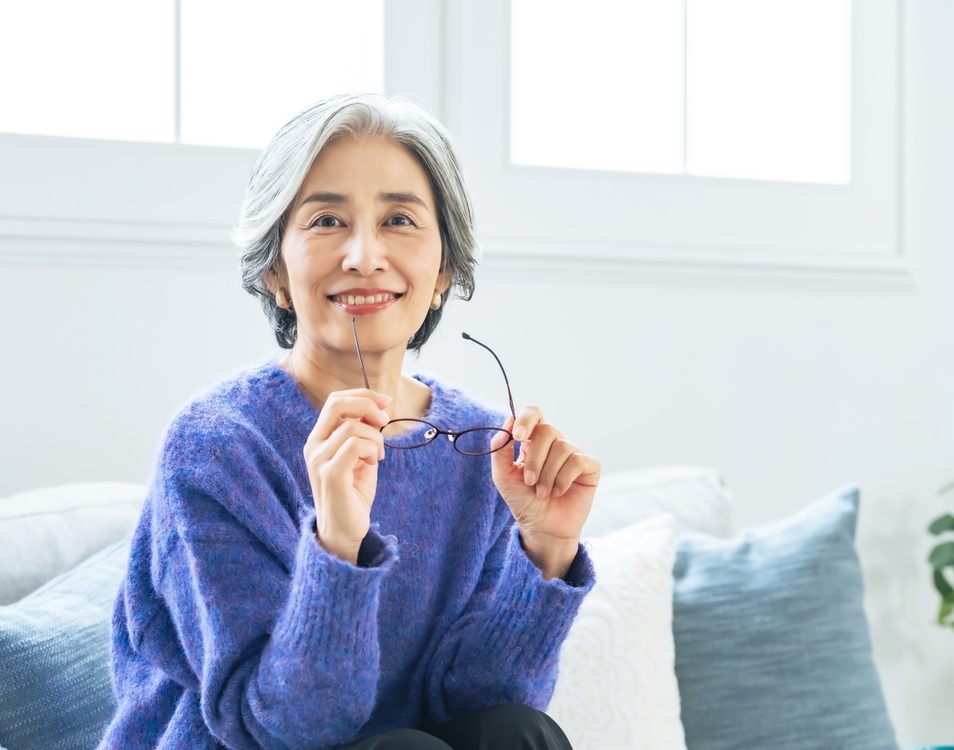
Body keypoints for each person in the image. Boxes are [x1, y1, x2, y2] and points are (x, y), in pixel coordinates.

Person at [98, 93, 600, 750]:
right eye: (328, 220)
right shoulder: (216, 448)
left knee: (519, 731)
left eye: (399, 219)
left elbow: (477, 707)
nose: (365, 254)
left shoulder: (485, 451)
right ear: (276, 269)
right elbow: (276, 728)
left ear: (444, 268)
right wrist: (337, 543)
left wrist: (545, 549)